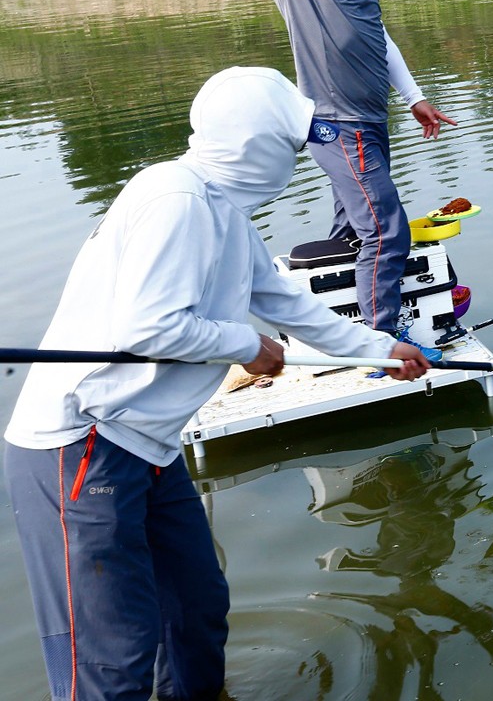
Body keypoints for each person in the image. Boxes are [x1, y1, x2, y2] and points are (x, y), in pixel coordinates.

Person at [4, 67, 432, 701]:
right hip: (83, 440)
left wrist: (383, 350)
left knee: (196, 604)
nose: (299, 157)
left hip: (146, 442)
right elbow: (149, 327)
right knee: (112, 650)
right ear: (256, 143)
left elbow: (284, 303)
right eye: (292, 143)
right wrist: (246, 346)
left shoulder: (224, 213)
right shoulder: (175, 200)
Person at [179, 0, 457, 360]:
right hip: (337, 125)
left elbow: (380, 41)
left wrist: (414, 98)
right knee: (386, 229)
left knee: (354, 231)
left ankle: (335, 322)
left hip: (372, 123)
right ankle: (382, 344)